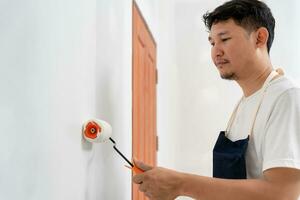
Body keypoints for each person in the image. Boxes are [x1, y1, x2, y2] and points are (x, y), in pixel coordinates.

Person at [132, 0, 300, 199]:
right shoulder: (244, 103)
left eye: (225, 39)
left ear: (259, 38)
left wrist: (181, 183)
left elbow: (283, 193)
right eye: (212, 42)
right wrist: (168, 181)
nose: (216, 51)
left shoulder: (286, 97)